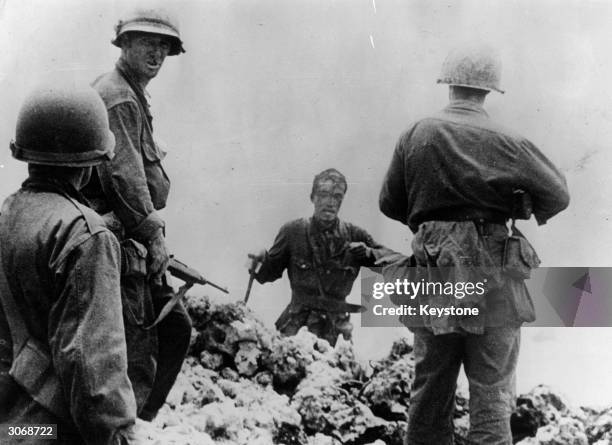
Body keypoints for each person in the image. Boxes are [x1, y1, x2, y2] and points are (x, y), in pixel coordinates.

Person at [379, 44, 570, 444]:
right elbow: (558, 194)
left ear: (449, 84)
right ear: (489, 91)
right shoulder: (509, 140)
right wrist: (515, 202)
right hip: (494, 274)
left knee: (430, 390)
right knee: (491, 394)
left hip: (435, 272)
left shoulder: (417, 133)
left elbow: (389, 202)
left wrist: (433, 224)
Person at [0, 83, 138, 444]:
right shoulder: (85, 234)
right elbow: (92, 366)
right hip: (50, 431)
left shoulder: (6, 214)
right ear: (92, 162)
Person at [81, 7, 191, 421]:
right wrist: (154, 236)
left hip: (121, 237)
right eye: (147, 42)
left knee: (167, 330)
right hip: (114, 241)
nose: (157, 53)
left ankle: (128, 424)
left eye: (164, 46)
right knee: (145, 342)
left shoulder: (128, 93)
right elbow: (125, 179)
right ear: (124, 43)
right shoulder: (120, 97)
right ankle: (125, 427)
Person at [248, 168, 398, 346]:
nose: (330, 202)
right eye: (324, 194)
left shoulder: (355, 235)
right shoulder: (292, 232)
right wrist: (261, 258)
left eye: (337, 197)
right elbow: (267, 274)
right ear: (312, 197)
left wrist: (369, 253)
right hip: (296, 328)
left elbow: (396, 263)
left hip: (336, 333)